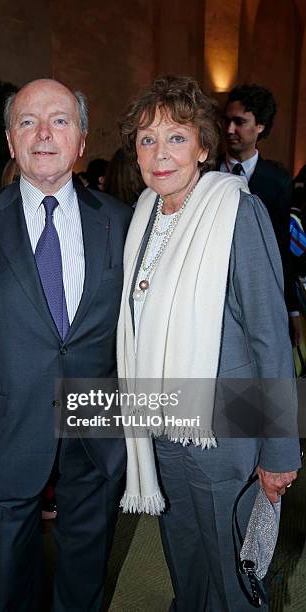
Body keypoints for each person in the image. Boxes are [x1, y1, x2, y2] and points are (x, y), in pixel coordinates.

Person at [0, 78, 132, 612]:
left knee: (85, 567)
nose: (44, 133)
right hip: (4, 433)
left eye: (60, 121)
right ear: (10, 140)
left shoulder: (119, 222)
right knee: (6, 573)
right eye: (28, 121)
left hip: (95, 425)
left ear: (81, 141)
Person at [117, 75, 301, 611]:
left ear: (203, 144)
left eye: (176, 137)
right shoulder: (145, 217)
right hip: (164, 422)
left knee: (232, 572)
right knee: (186, 562)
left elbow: (270, 337)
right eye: (147, 139)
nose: (160, 152)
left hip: (228, 431)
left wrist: (280, 448)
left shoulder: (235, 213)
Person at [220, 84, 300, 344]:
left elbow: (281, 249)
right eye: (227, 120)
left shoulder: (278, 182)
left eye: (240, 122)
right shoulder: (205, 173)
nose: (230, 129)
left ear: (261, 126)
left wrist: (291, 309)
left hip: (259, 299)